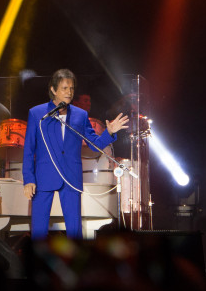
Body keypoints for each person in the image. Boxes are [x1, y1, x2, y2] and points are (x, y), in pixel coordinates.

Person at [22, 69, 128, 240]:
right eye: (64, 88)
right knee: (39, 230)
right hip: (44, 175)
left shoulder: (80, 115)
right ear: (53, 90)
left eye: (71, 88)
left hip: (71, 176)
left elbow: (94, 145)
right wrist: (28, 179)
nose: (69, 92)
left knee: (74, 229)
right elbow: (29, 149)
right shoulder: (37, 113)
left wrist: (109, 132)